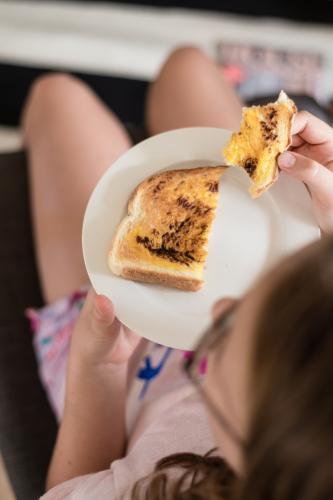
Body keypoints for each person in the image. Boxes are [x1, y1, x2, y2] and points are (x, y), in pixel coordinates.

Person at [21, 47, 333, 499]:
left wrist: (97, 365)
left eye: (224, 337)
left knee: (56, 96)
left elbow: (71, 488)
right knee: (185, 66)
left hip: (113, 363)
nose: (225, 306)